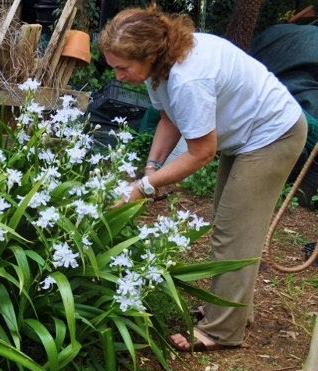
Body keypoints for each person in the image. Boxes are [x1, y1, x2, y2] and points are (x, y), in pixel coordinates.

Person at [99, 6, 308, 352]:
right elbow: (170, 118)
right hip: (246, 133)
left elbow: (201, 152)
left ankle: (224, 331)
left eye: (123, 68)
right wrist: (152, 167)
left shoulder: (188, 77)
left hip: (273, 134)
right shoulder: (161, 68)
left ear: (149, 54)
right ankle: (229, 309)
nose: (118, 76)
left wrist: (142, 187)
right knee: (233, 225)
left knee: (234, 229)